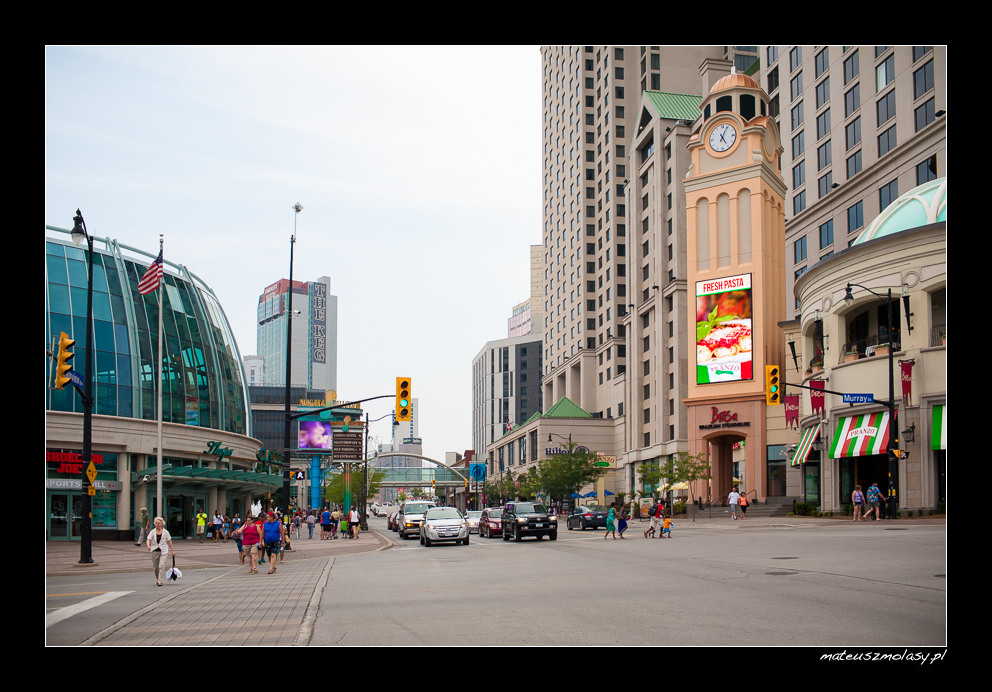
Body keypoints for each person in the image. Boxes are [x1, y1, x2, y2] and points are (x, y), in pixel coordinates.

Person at [146, 516, 176, 587]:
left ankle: (160, 580)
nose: (157, 524)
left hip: (164, 551)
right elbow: (148, 539)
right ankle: (158, 578)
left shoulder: (166, 532)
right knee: (155, 567)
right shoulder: (152, 532)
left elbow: (169, 541)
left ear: (162, 524)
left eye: (158, 523)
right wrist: (148, 545)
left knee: (161, 565)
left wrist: (172, 551)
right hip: (154, 550)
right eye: (156, 523)